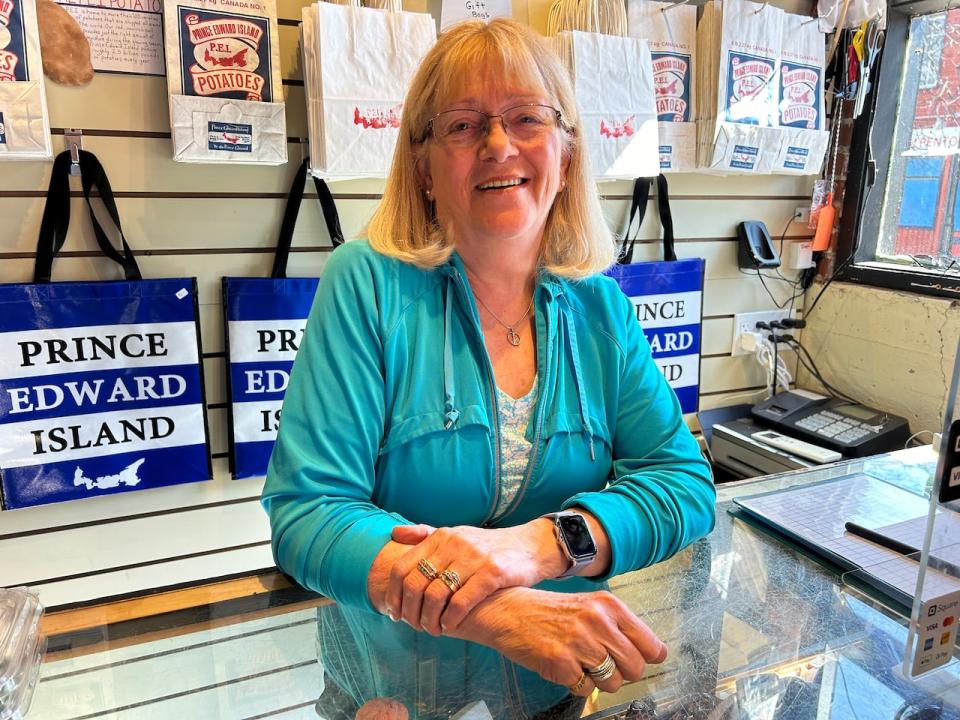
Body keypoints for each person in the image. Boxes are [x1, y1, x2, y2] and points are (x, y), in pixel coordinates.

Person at [261, 18, 716, 720]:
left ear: (566, 150)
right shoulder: (368, 284)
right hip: (391, 692)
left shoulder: (600, 306)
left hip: (558, 685)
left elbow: (684, 483)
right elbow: (308, 515)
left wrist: (544, 544)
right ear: (425, 166)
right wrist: (496, 614)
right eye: (464, 125)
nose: (499, 144)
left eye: (526, 117)